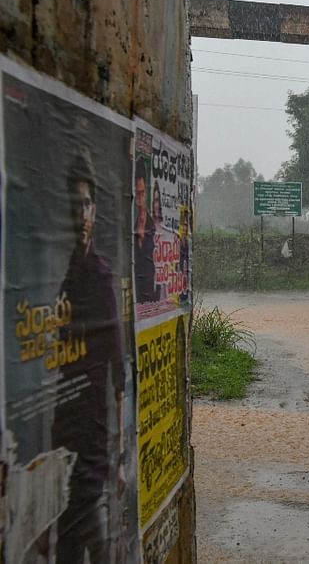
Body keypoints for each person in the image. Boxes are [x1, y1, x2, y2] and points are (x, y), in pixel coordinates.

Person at [53, 149, 127, 564]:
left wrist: (116, 455)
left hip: (94, 444)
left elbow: (117, 372)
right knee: (67, 544)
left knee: (94, 542)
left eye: (86, 204)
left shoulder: (98, 277)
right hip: (64, 441)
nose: (80, 214)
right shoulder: (66, 275)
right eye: (73, 205)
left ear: (95, 210)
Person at [133, 161, 156, 302]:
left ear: (146, 192)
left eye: (142, 193)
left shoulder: (153, 226)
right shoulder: (132, 224)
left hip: (149, 289)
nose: (140, 199)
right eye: (137, 194)